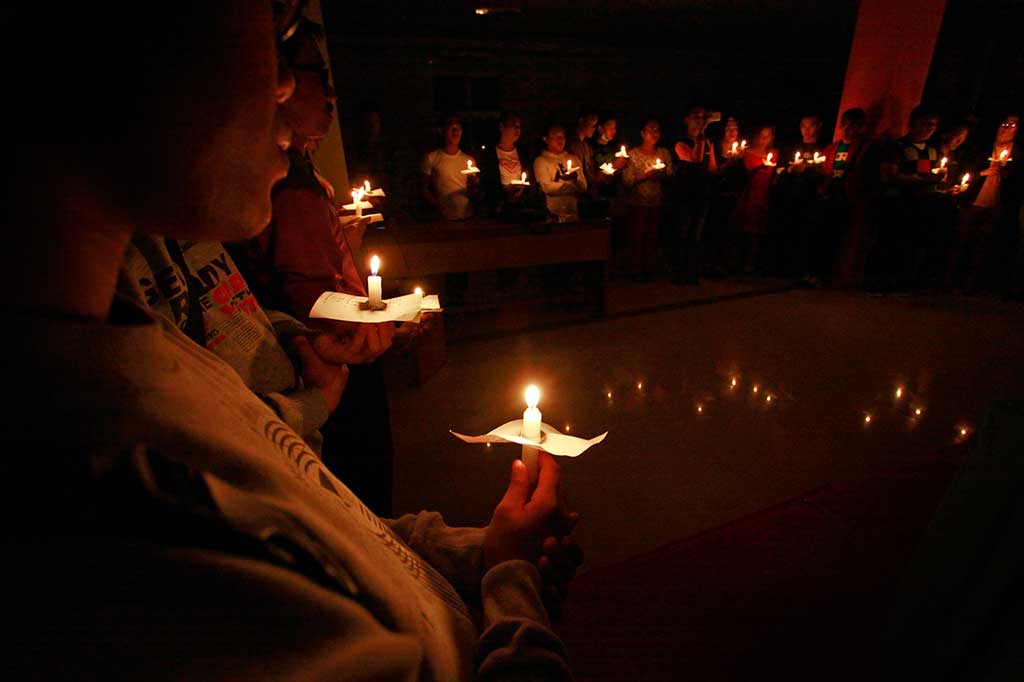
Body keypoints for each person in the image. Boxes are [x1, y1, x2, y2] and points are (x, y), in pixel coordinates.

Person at [2, 3, 580, 679]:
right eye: (270, 24)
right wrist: (512, 588)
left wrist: (472, 554)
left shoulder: (143, 336)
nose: (283, 84)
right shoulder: (101, 532)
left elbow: (312, 520)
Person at [230, 16, 397, 515]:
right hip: (325, 374)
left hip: (321, 358)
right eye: (311, 73)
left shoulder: (301, 177)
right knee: (361, 499)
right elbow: (307, 296)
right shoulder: (283, 185)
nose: (330, 92)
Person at [875, 105, 946, 290]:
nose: (931, 128)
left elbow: (932, 172)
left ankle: (904, 282)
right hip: (898, 201)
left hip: (923, 203)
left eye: (934, 125)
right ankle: (880, 282)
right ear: (914, 123)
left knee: (914, 244)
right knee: (890, 242)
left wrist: (937, 178)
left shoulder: (933, 150)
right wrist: (914, 180)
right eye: (926, 123)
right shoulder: (898, 146)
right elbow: (888, 175)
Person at [821, 107, 876, 287]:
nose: (848, 129)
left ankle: (841, 274)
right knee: (825, 233)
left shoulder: (865, 148)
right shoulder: (832, 148)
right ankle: (822, 272)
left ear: (860, 127)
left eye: (853, 126)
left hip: (850, 196)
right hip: (830, 193)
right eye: (845, 125)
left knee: (846, 236)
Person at [671, 105, 719, 285]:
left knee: (697, 233)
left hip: (702, 191)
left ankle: (693, 270)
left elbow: (712, 168)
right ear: (687, 119)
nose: (700, 120)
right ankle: (679, 270)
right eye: (696, 117)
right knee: (683, 230)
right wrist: (700, 136)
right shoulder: (680, 142)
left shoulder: (707, 142)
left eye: (703, 117)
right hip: (685, 192)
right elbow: (695, 160)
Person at [778, 114, 827, 285]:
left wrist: (814, 171)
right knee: (791, 232)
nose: (807, 130)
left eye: (811, 126)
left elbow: (826, 173)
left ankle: (807, 271)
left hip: (813, 199)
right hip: (792, 197)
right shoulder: (791, 148)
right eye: (804, 126)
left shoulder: (824, 148)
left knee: (809, 236)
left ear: (819, 126)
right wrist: (790, 171)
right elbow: (779, 171)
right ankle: (788, 270)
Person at [623, 117, 674, 279]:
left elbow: (671, 175)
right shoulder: (632, 154)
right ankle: (635, 269)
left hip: (657, 201)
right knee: (637, 236)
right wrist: (646, 175)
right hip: (638, 202)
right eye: (650, 129)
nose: (654, 133)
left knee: (653, 236)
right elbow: (627, 180)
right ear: (642, 133)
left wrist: (661, 175)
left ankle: (650, 268)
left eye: (657, 129)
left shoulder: (664, 153)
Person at [732, 124, 779, 273]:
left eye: (767, 136)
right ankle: (735, 260)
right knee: (741, 227)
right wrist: (759, 166)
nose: (763, 139)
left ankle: (750, 263)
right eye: (760, 136)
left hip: (763, 194)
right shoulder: (747, 153)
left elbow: (774, 175)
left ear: (772, 138)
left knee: (756, 231)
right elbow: (743, 175)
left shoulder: (774, 153)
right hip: (748, 193)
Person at [421, 114, 480, 221]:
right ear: (441, 131)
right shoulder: (431, 158)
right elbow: (424, 189)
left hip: (467, 216)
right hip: (444, 218)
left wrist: (474, 186)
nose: (456, 131)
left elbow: (473, 193)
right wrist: (438, 207)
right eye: (451, 127)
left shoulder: (468, 160)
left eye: (459, 127)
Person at [534, 122, 588, 222]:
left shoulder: (574, 159)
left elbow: (583, 186)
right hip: (552, 212)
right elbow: (547, 187)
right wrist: (569, 185)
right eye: (555, 136)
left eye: (562, 136)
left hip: (573, 210)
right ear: (546, 139)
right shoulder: (541, 161)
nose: (560, 140)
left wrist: (575, 179)